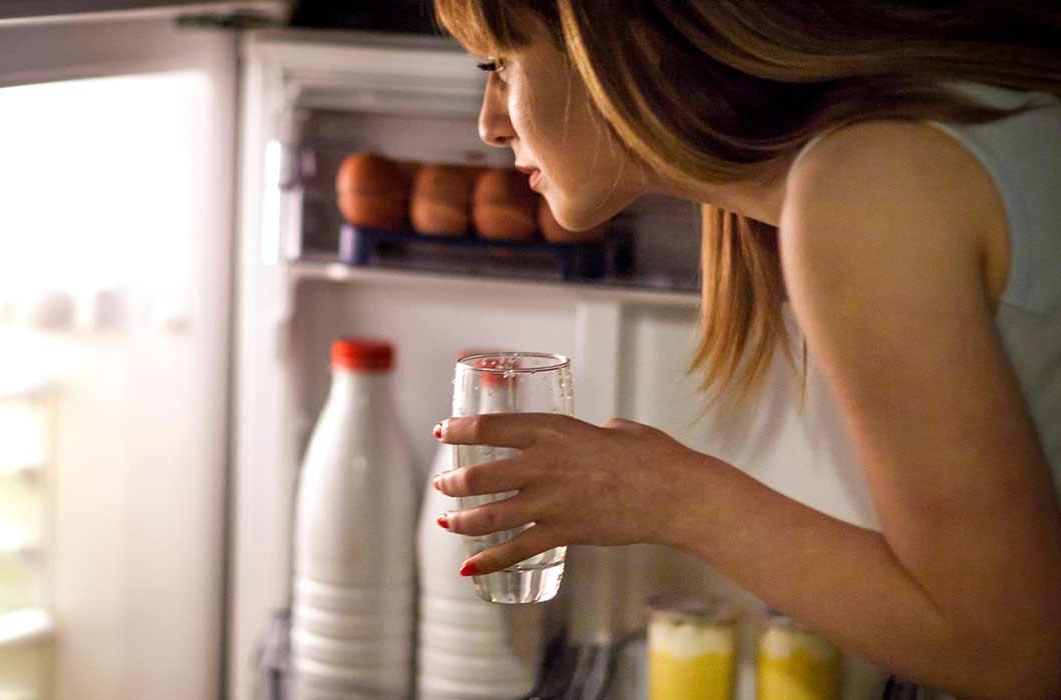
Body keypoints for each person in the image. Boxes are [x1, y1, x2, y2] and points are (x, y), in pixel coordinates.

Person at [424, 2, 1061, 698]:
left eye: (499, 66)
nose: (489, 124)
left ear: (619, 42)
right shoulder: (886, 149)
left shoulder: (868, 189)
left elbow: (1010, 651)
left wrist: (669, 497)